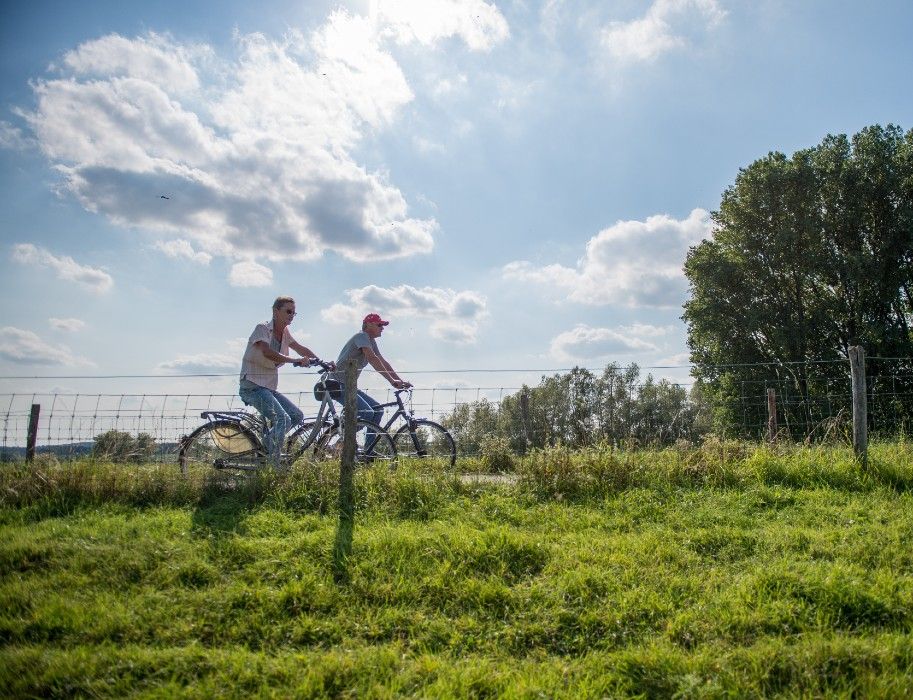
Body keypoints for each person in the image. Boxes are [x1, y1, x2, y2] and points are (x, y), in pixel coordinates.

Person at [239, 296, 330, 469]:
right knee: (283, 419)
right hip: (252, 385)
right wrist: (295, 360)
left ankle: (266, 447)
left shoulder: (285, 332)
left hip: (267, 386)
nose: (291, 316)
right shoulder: (263, 328)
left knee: (296, 416)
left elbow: (300, 348)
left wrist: (322, 362)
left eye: (294, 313)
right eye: (288, 311)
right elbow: (267, 352)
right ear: (275, 311)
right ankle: (274, 466)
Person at [329, 313, 412, 445]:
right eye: (380, 325)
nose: (382, 328)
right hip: (337, 384)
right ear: (369, 325)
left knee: (378, 410)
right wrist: (392, 381)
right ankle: (341, 441)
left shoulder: (371, 341)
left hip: (349, 385)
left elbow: (382, 362)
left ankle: (368, 451)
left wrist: (399, 381)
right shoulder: (362, 336)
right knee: (367, 412)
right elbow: (372, 359)